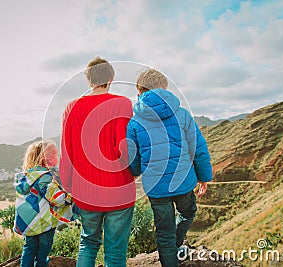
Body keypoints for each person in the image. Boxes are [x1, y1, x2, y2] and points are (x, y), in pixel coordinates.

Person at [127, 68, 212, 267]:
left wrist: (136, 172)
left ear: (139, 93)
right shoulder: (182, 114)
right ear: (164, 89)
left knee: (163, 233)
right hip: (183, 182)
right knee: (188, 212)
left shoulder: (134, 123)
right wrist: (203, 176)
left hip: (157, 189)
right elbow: (198, 148)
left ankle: (170, 250)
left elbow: (134, 159)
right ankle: (176, 243)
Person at [60, 57, 136, 267]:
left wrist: (68, 186)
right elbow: (125, 148)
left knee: (88, 243)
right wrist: (134, 172)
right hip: (119, 191)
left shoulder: (71, 108)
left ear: (88, 80)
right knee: (115, 252)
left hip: (86, 192)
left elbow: (67, 153)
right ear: (111, 78)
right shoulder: (122, 103)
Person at [14, 140, 73, 267]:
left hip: (28, 222)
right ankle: (41, 263)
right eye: (56, 155)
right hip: (43, 221)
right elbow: (55, 198)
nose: (58, 158)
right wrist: (71, 197)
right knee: (44, 246)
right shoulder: (45, 177)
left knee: (29, 247)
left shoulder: (25, 177)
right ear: (46, 159)